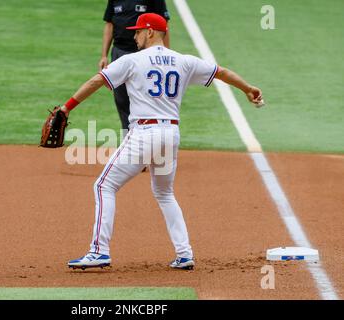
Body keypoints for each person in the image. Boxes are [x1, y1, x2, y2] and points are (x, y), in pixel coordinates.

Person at [62, 13, 263, 270]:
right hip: (171, 135)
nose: (133, 37)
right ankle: (184, 253)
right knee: (165, 193)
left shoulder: (131, 60)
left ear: (149, 32)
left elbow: (97, 80)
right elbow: (221, 72)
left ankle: (99, 251)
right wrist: (248, 88)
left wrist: (67, 108)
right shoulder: (184, 61)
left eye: (137, 32)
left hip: (144, 133)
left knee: (104, 186)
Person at [100, 0, 170, 132]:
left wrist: (165, 54)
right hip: (119, 53)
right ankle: (128, 138)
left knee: (145, 100)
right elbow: (109, 23)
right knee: (121, 101)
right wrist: (104, 55)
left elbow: (163, 27)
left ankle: (147, 136)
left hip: (144, 55)